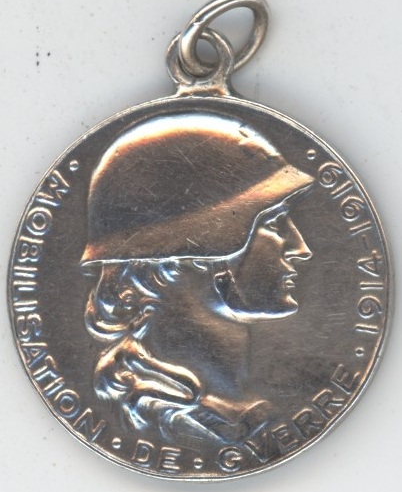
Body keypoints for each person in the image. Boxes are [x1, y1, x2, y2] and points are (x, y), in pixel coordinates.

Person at [81, 113, 314, 444]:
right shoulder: (164, 423)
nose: (300, 248)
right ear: (208, 250)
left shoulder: (236, 417)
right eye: (274, 224)